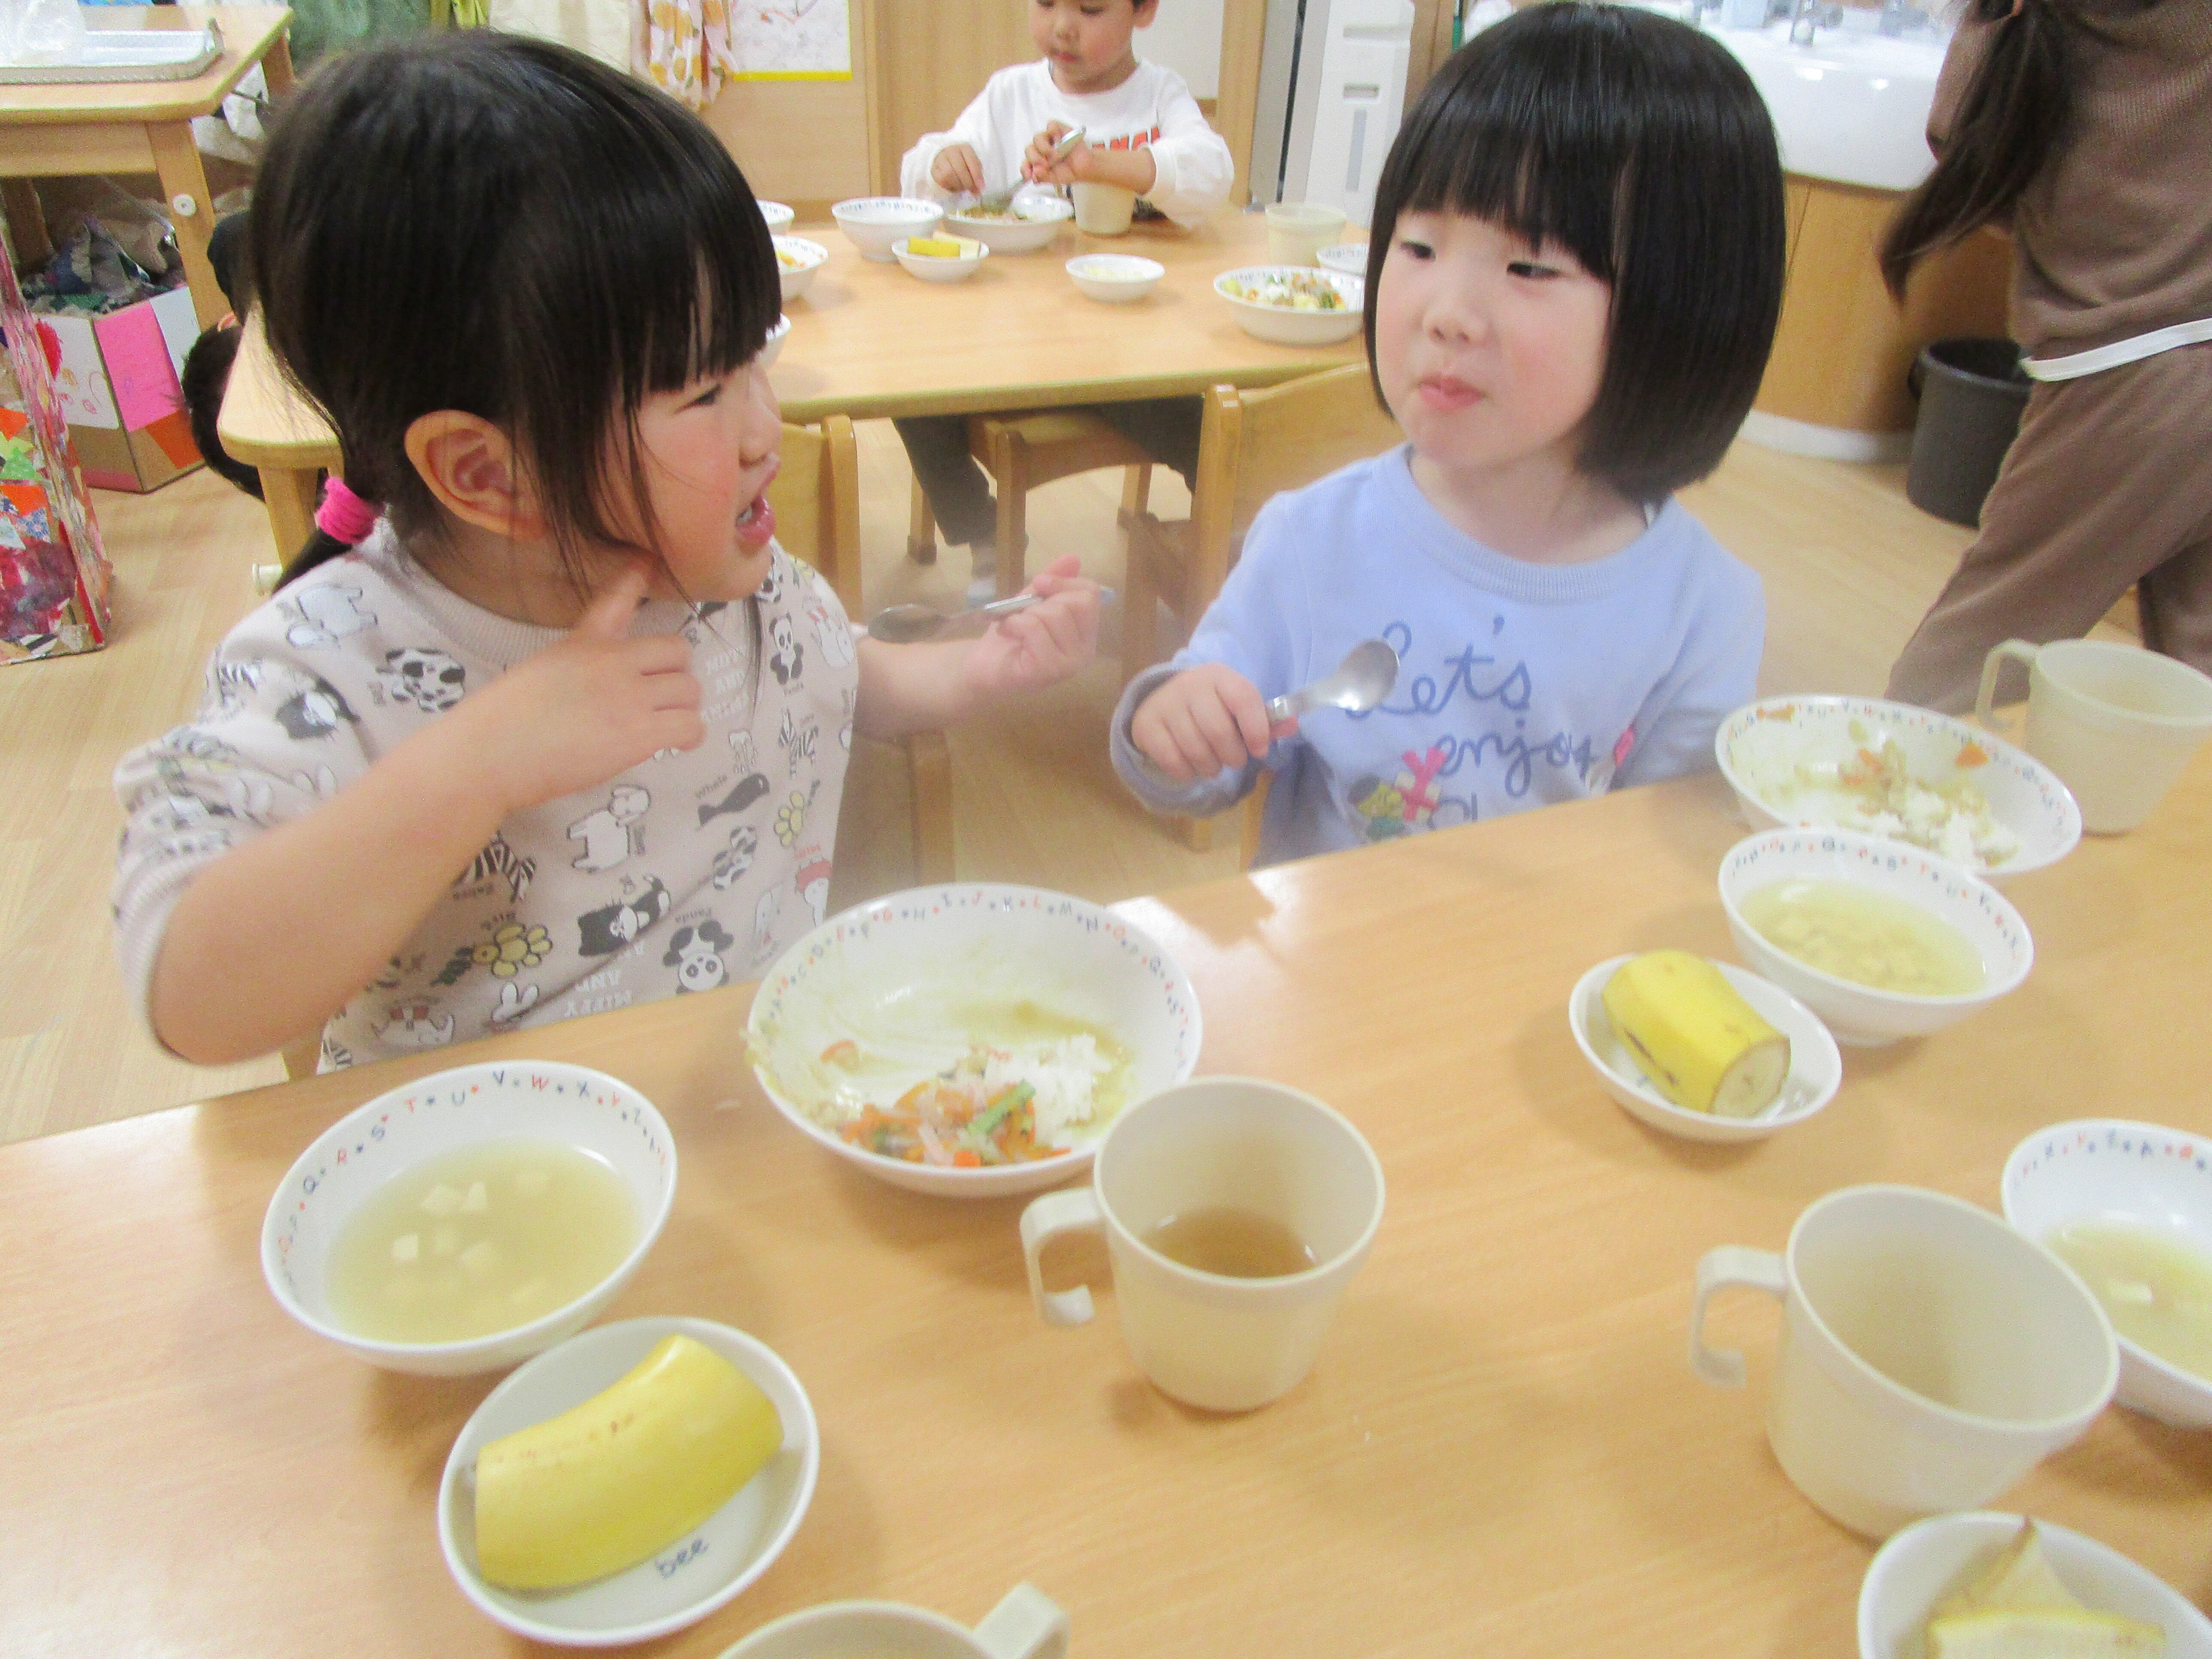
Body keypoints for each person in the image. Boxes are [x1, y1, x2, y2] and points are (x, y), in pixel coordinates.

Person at [111, 35, 1100, 1072]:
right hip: (499, 1190)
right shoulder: (337, 664)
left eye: (754, 357)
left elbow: (838, 673)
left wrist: (983, 666)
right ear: (484, 473)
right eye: (706, 393)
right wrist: (480, 761)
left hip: (751, 1127)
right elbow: (191, 993)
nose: (767, 428)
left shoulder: (725, 586)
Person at [1109, 2, 1785, 866]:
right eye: (1419, 247)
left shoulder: (1699, 611)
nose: (1446, 314)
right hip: (1327, 975)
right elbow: (1205, 762)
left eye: (1528, 267)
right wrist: (1172, 723)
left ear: (1682, 307)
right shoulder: (1313, 539)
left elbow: (1658, 867)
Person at [1881, 0, 2211, 713]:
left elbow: (1968, 157)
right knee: (2198, 671)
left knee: (1963, 670)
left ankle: (1880, 809)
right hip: (2172, 349)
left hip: (2132, 373)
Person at [896, 0, 1234, 605]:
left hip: (1119, 355)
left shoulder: (1159, 95)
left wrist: (1100, 164)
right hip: (1009, 344)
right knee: (903, 382)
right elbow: (919, 169)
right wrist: (941, 165)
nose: (1062, 26)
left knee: (1204, 425)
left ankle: (1230, 535)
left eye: (1091, 8)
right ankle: (983, 533)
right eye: (1047, 3)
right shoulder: (1011, 95)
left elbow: (1212, 174)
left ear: (1144, 11)